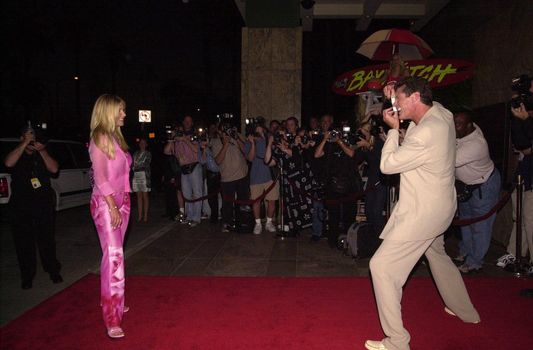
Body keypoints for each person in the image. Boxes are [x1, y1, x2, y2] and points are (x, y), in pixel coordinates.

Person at [365, 77, 480, 350]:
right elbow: (418, 120)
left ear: (415, 97)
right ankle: (465, 311)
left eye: (399, 101)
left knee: (381, 268)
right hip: (443, 208)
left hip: (423, 214)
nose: (396, 106)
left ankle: (397, 341)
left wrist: (393, 131)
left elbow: (389, 165)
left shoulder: (427, 131)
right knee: (437, 256)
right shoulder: (442, 112)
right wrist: (394, 95)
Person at [88, 94, 132, 339]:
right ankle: (112, 317)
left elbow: (123, 175)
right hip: (106, 205)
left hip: (122, 203)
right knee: (114, 256)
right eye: (121, 110)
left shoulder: (117, 137)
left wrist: (124, 201)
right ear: (108, 112)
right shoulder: (100, 138)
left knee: (115, 255)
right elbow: (101, 177)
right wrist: (113, 207)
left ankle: (115, 299)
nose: (124, 114)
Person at [4, 125, 62, 290]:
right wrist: (24, 144)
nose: (31, 140)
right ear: (21, 138)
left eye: (33, 137)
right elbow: (8, 163)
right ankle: (27, 276)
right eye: (28, 136)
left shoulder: (42, 153)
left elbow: (54, 168)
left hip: (43, 205)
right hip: (21, 207)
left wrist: (42, 151)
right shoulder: (16, 153)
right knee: (24, 243)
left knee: (47, 241)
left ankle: (53, 271)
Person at [453, 109, 501, 273]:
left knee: (480, 225)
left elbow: (445, 160)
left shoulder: (476, 144)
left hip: (483, 186)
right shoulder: (465, 132)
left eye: (458, 124)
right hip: (467, 186)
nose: (454, 127)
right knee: (466, 221)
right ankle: (466, 252)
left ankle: (474, 262)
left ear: (469, 126)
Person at [496, 75, 533, 272]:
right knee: (520, 216)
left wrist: (527, 121)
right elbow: (522, 144)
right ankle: (515, 253)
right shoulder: (523, 111)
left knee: (530, 218)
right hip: (524, 172)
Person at [265, 117, 320, 236]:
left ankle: (314, 229)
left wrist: (286, 148)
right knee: (291, 206)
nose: (290, 127)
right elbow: (268, 162)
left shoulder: (298, 140)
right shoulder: (280, 147)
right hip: (288, 182)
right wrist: (269, 144)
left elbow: (299, 156)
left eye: (292, 124)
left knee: (307, 204)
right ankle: (294, 228)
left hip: (302, 180)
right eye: (288, 125)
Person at [314, 119, 359, 248]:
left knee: (348, 215)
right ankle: (333, 241)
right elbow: (317, 155)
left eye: (337, 132)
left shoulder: (349, 141)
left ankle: (349, 241)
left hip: (348, 184)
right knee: (333, 215)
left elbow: (351, 153)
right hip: (332, 184)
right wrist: (325, 139)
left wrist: (339, 141)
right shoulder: (328, 144)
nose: (335, 134)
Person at [164, 115, 202, 227]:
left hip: (194, 166)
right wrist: (172, 139)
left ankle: (196, 218)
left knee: (197, 193)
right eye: (185, 121)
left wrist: (185, 139)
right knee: (186, 194)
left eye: (189, 121)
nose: (187, 123)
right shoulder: (177, 139)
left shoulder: (194, 135)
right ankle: (189, 216)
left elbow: (197, 151)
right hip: (183, 169)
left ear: (192, 123)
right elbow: (166, 151)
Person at [211, 123, 249, 232]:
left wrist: (236, 137)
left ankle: (242, 223)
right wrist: (226, 144)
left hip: (242, 175)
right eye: (223, 130)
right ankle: (227, 223)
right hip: (227, 178)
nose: (226, 132)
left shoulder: (236, 137)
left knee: (243, 202)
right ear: (219, 131)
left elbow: (246, 151)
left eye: (227, 129)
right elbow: (218, 161)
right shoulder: (216, 142)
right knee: (227, 203)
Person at [245, 118, 279, 234]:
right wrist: (253, 143)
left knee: (272, 200)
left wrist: (267, 140)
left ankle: (269, 222)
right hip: (256, 174)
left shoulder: (270, 138)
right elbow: (250, 158)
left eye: (260, 127)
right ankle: (258, 223)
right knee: (256, 201)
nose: (259, 129)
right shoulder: (250, 141)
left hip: (270, 174)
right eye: (256, 127)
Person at [132, 138, 152, 222]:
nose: (142, 144)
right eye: (141, 143)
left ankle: (145, 216)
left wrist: (136, 166)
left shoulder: (148, 153)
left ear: (146, 145)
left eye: (144, 143)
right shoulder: (135, 153)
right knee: (138, 196)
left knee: (145, 196)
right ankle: (140, 215)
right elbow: (132, 164)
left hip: (144, 175)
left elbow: (146, 164)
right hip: (136, 176)